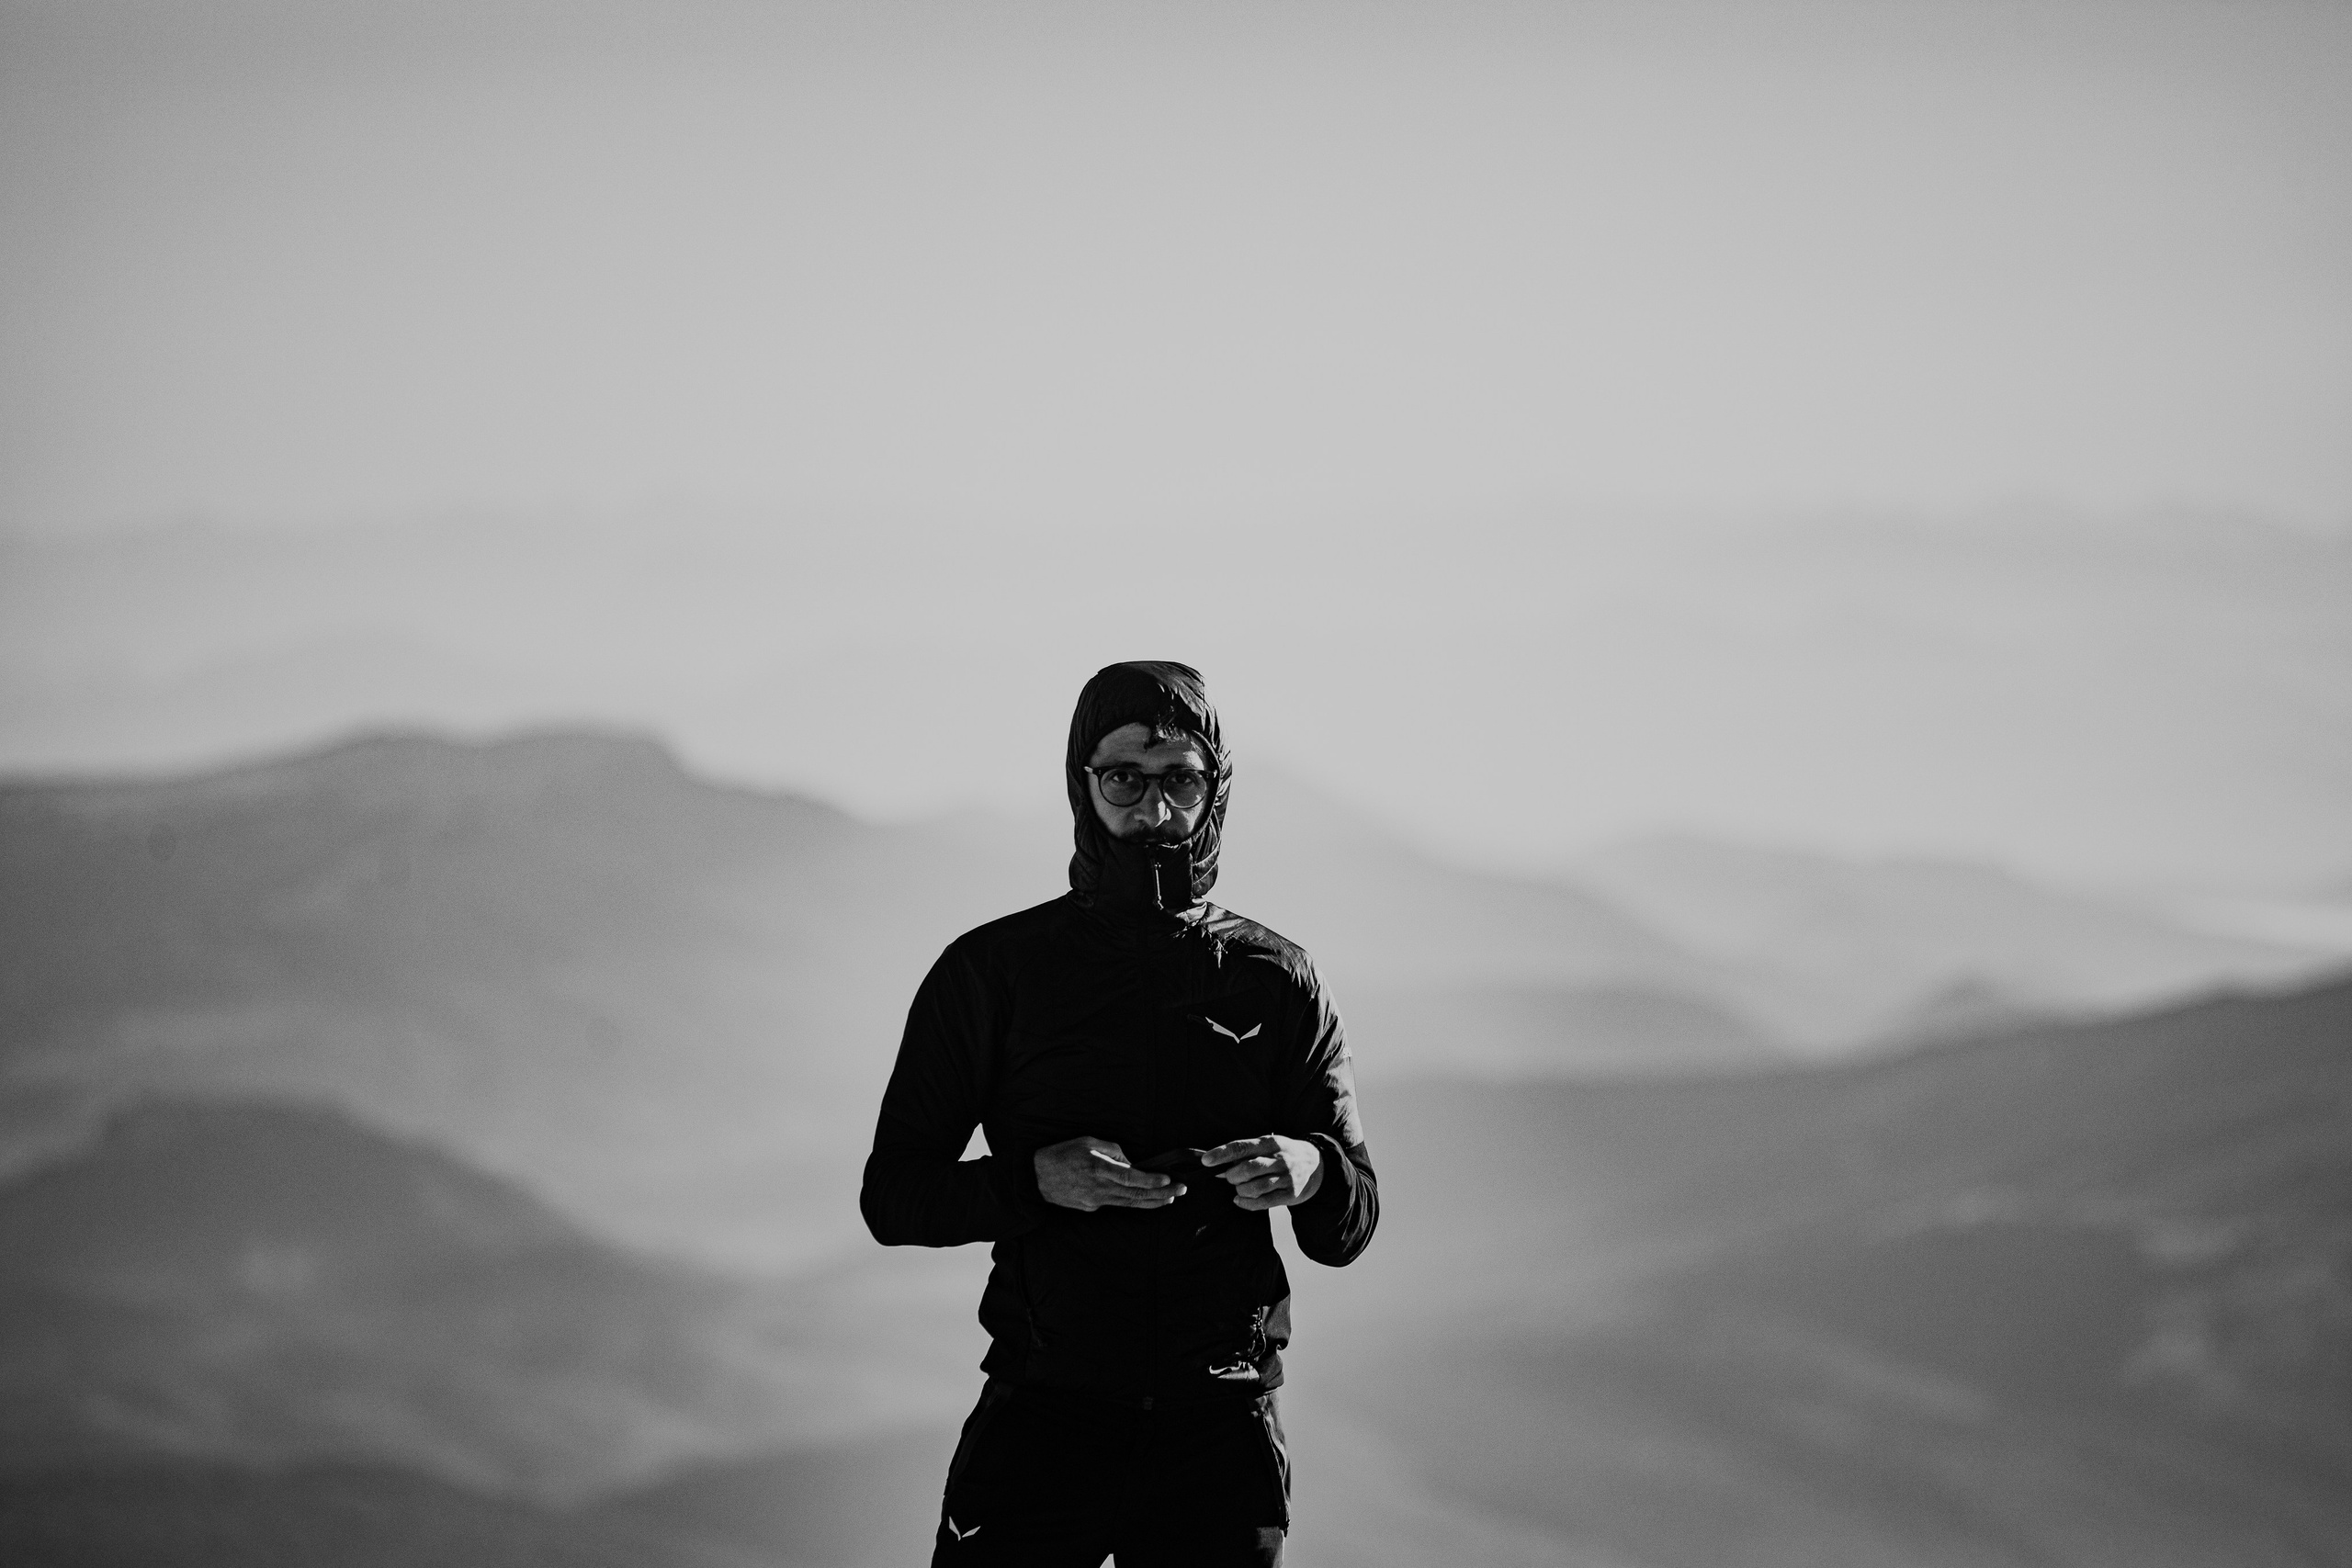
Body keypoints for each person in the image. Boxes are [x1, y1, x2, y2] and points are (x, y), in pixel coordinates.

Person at [860, 660, 1378, 1568]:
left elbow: (1348, 1223)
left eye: (1179, 779)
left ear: (1214, 790)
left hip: (1219, 1429)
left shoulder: (1278, 980)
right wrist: (1032, 1182)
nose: (1153, 811)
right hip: (1045, 1416)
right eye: (1123, 780)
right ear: (1081, 783)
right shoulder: (992, 973)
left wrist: (1311, 1168)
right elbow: (893, 1197)